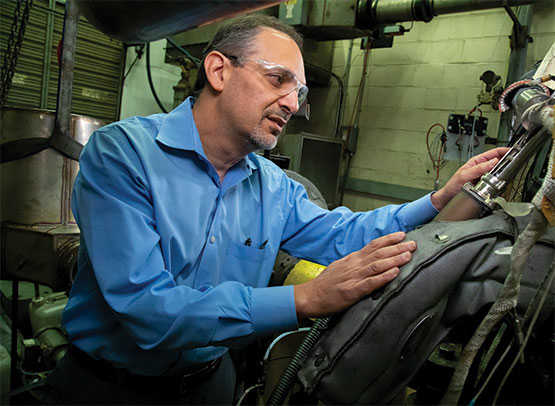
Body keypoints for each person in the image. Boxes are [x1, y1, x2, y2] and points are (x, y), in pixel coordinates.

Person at [45, 14, 507, 405]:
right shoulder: (123, 155)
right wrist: (305, 298)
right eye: (278, 80)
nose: (292, 103)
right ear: (219, 71)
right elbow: (146, 308)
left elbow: (339, 234)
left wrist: (438, 201)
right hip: (108, 387)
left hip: (211, 384)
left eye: (300, 92)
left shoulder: (270, 184)